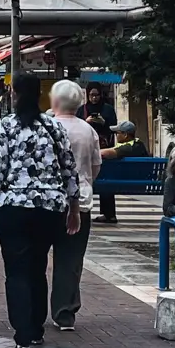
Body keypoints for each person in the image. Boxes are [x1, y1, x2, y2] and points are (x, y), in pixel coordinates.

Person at [0, 72, 80, 348]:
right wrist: (74, 208)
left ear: (15, 94)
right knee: (38, 266)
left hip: (14, 208)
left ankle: (22, 335)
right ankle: (37, 328)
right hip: (49, 208)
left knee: (16, 270)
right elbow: (69, 169)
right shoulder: (54, 126)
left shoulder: (5, 126)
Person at [47, 80, 101, 332]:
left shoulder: (46, 126)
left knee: (37, 256)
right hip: (81, 202)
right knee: (70, 259)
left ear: (55, 101)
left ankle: (36, 309)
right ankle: (64, 312)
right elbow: (95, 166)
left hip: (46, 200)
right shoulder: (88, 130)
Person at [96, 121, 147, 225]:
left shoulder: (128, 147)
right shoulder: (139, 145)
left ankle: (109, 215)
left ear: (125, 135)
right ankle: (108, 214)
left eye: (117, 133)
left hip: (127, 182)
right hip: (141, 180)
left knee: (105, 182)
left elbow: (105, 154)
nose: (116, 136)